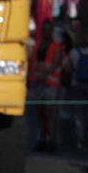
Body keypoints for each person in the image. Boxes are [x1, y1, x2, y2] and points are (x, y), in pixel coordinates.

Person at [30, 19, 66, 151]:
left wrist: (45, 73)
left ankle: (51, 140)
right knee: (40, 113)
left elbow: (56, 63)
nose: (46, 31)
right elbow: (33, 62)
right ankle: (42, 139)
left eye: (48, 29)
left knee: (49, 113)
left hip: (50, 83)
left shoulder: (57, 46)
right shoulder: (37, 45)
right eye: (44, 29)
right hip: (38, 83)